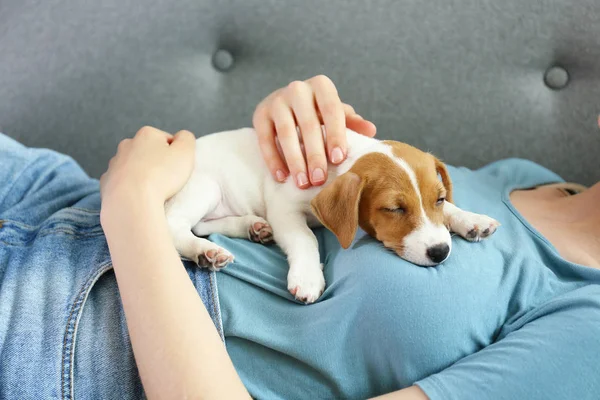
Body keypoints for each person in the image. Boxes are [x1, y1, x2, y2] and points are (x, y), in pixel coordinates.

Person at [0, 75, 599, 400]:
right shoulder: (528, 178)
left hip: (68, 330)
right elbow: (371, 188)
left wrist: (130, 210)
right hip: (51, 189)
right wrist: (288, 132)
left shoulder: (586, 332)